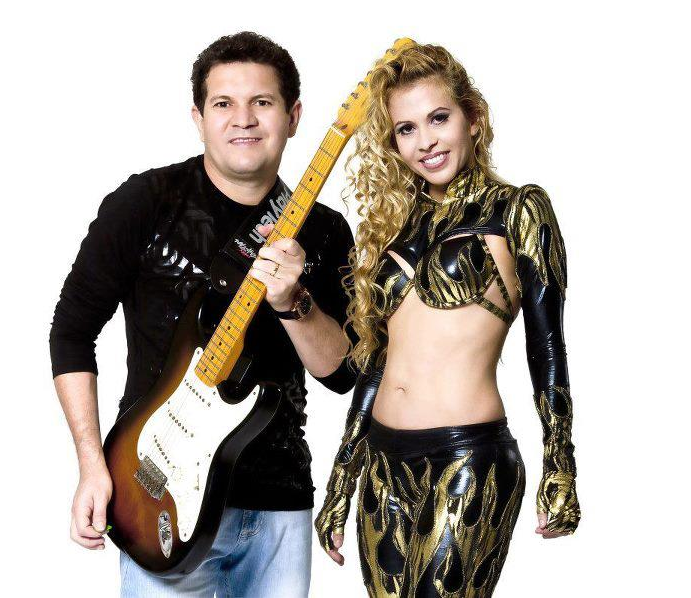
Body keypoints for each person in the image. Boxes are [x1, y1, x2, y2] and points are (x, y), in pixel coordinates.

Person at [50, 31, 357, 598]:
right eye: (223, 103)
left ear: (293, 117)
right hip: (154, 493)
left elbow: (342, 373)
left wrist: (293, 302)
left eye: (262, 102)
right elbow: (71, 332)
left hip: (278, 504)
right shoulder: (145, 202)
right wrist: (92, 464)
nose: (243, 119)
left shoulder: (325, 231)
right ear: (198, 117)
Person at [315, 42, 580, 597]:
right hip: (382, 463)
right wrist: (342, 478)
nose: (426, 141)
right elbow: (379, 362)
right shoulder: (395, 223)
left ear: (472, 117)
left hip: (469, 458)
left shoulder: (517, 209)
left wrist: (560, 463)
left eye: (439, 118)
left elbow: (546, 344)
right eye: (406, 129)